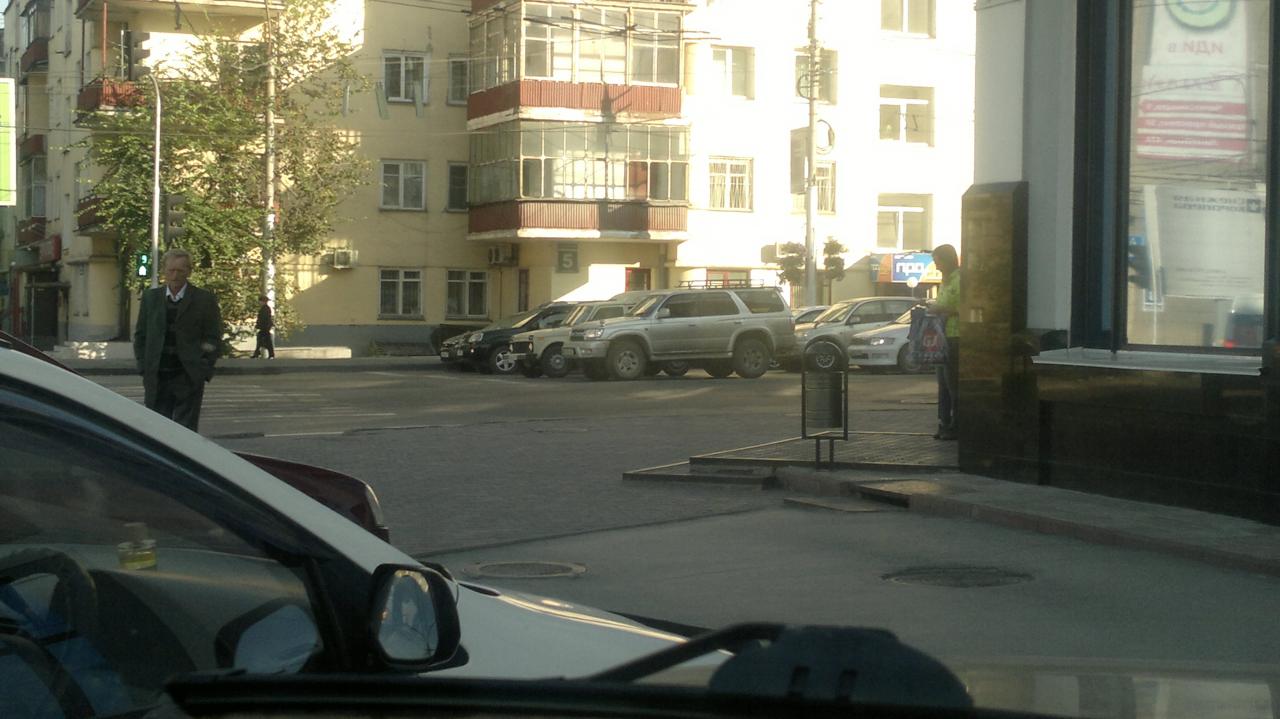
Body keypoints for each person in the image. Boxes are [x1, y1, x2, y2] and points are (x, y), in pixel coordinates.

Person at [133, 249, 222, 431]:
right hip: (157, 376)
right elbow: (141, 335)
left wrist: (203, 369)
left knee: (185, 431)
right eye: (171, 270)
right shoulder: (151, 298)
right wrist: (143, 367)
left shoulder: (203, 299)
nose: (175, 276)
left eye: (180, 271)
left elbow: (213, 337)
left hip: (187, 376)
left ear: (189, 272)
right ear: (164, 271)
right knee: (156, 429)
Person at [929, 244, 961, 440]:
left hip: (956, 336)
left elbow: (966, 307)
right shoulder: (945, 281)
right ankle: (944, 422)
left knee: (953, 383)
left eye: (937, 260)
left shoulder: (960, 279)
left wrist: (943, 310)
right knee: (942, 382)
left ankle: (957, 425)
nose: (936, 265)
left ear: (947, 259)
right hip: (941, 337)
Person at [252, 294, 275, 359]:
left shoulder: (265, 308)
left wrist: (258, 325)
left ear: (263, 301)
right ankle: (258, 353)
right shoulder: (265, 308)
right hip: (265, 327)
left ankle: (258, 353)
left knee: (263, 340)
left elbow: (263, 318)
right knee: (263, 340)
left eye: (260, 301)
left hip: (265, 327)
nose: (259, 303)